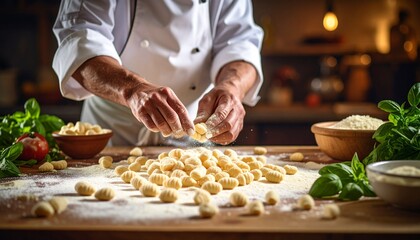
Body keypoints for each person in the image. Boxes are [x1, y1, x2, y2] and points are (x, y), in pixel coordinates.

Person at [52, 0, 264, 146]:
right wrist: (132, 90)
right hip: (113, 131)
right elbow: (79, 39)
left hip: (194, 125)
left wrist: (231, 88)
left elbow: (240, 42)